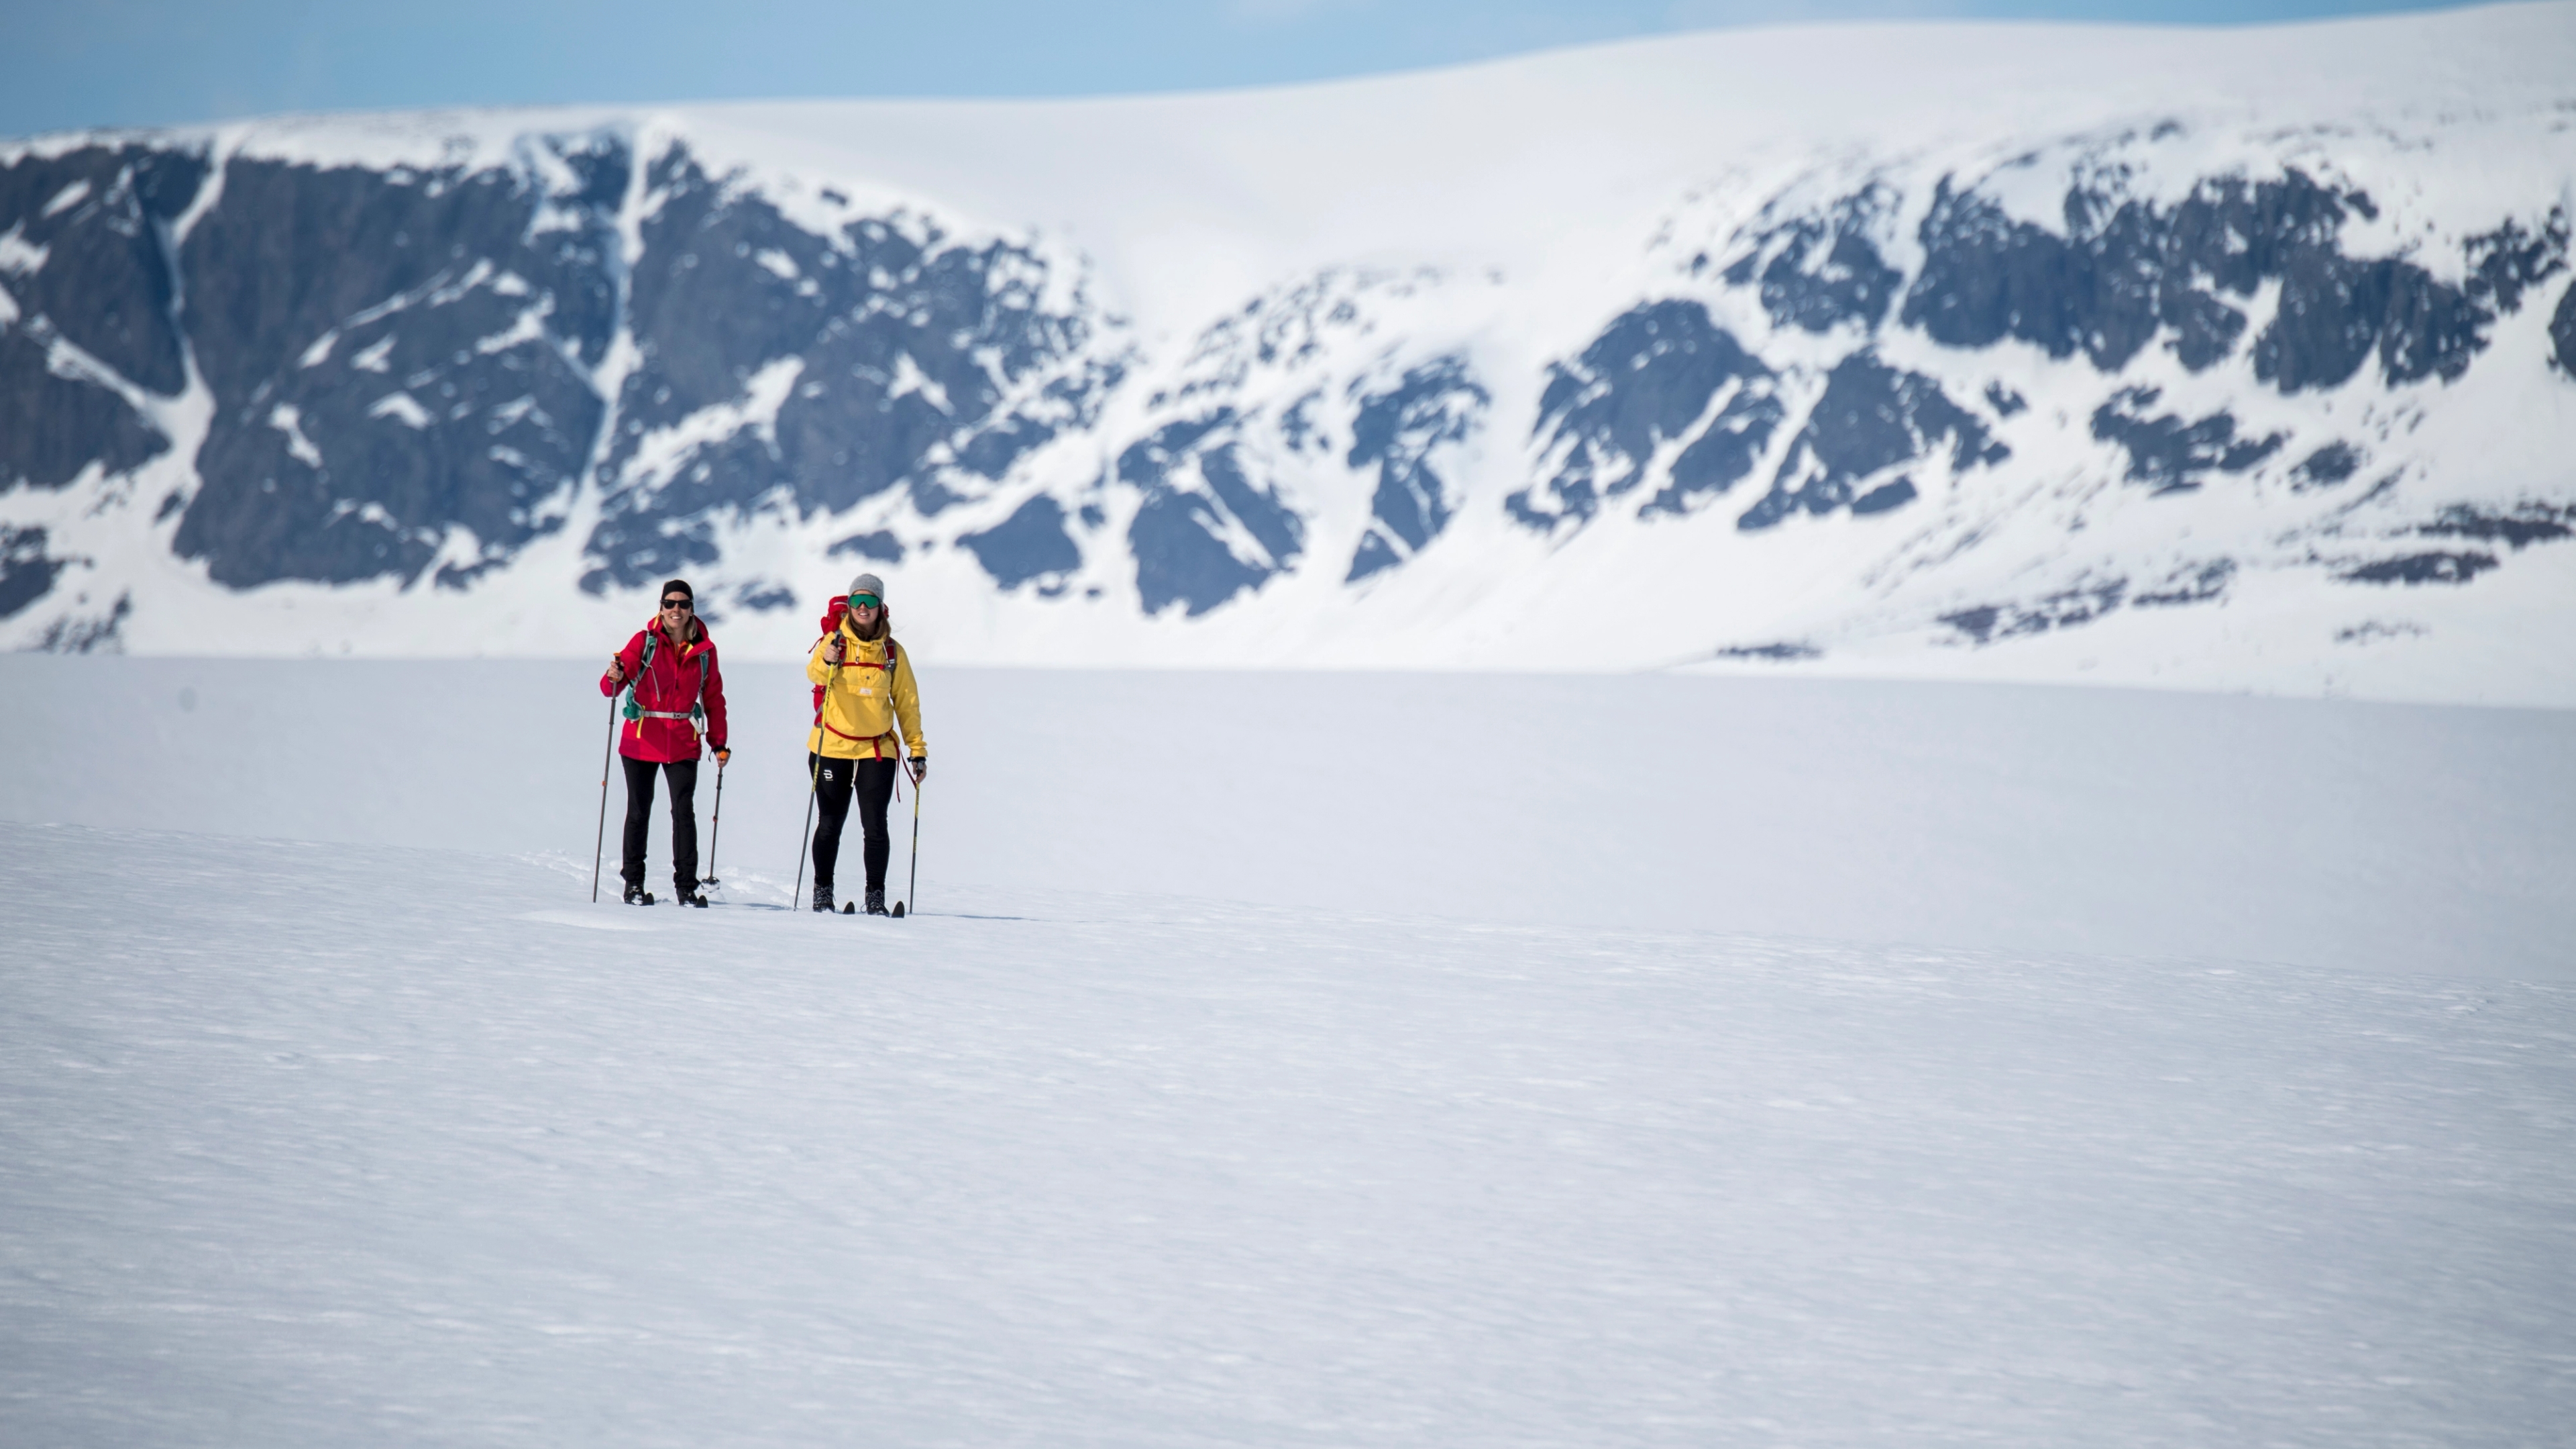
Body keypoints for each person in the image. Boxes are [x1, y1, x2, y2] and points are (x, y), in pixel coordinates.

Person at [600, 579, 730, 906]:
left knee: (683, 812)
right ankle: (633, 885)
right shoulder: (644, 642)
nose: (676, 610)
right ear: (661, 607)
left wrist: (719, 743)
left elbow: (713, 698)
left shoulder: (704, 651)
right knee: (639, 811)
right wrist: (613, 676)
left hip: (684, 741)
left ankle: (686, 887)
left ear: (691, 610)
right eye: (670, 604)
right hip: (642, 739)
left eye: (683, 604)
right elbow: (610, 687)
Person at [805, 572, 926, 914]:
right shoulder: (834, 642)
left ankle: (876, 898)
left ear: (880, 607)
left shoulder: (892, 652)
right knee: (830, 822)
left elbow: (907, 703)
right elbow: (813, 673)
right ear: (848, 606)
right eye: (857, 600)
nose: (862, 606)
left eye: (870, 601)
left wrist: (917, 750)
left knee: (875, 825)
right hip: (831, 746)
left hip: (877, 748)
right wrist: (826, 659)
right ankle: (822, 893)